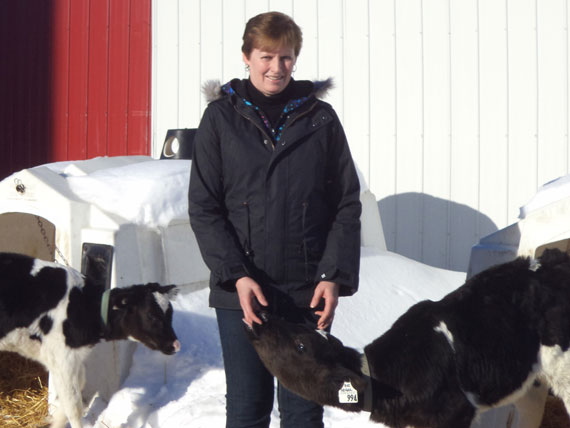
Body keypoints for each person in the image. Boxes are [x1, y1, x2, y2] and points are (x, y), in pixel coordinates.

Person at [188, 11, 361, 428]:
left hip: (305, 293)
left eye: (286, 57)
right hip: (242, 292)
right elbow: (205, 207)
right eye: (267, 56)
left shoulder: (320, 120)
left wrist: (331, 275)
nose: (276, 68)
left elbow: (346, 203)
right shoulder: (220, 120)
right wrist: (236, 276)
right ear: (246, 57)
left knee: (303, 411)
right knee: (247, 409)